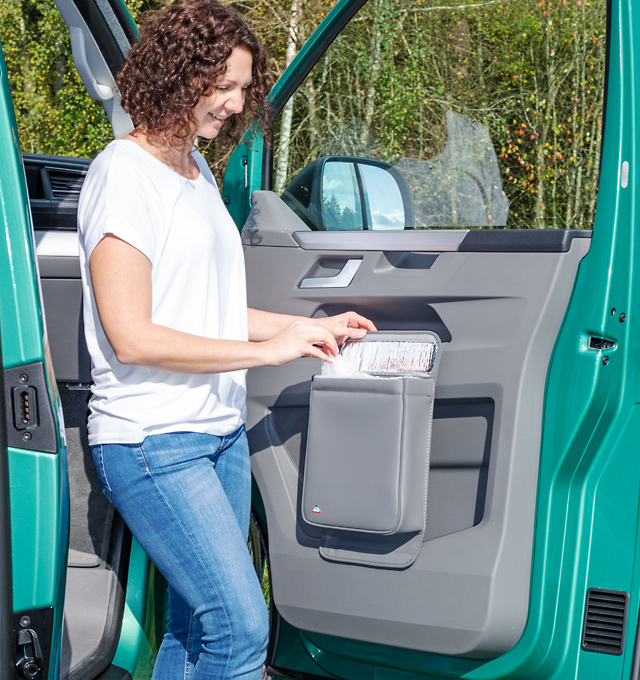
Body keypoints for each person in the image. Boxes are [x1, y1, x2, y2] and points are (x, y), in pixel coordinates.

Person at [76, 2, 376, 679]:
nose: (237, 104)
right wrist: (266, 353)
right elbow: (133, 336)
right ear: (177, 76)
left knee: (196, 626)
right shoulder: (123, 176)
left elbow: (206, 310)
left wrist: (301, 329)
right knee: (238, 629)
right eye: (223, 86)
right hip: (153, 442)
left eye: (243, 88)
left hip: (218, 434)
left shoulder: (197, 172)